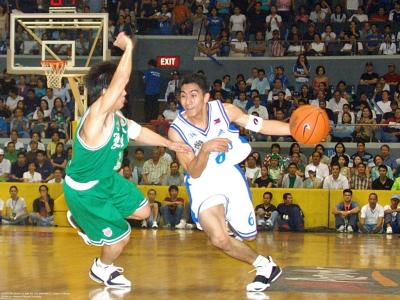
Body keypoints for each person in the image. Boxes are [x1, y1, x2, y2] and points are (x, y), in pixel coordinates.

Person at [64, 33, 190, 288]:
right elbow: (120, 79)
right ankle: (102, 268)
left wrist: (169, 143)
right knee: (121, 238)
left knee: (144, 211)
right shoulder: (95, 118)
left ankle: (86, 222)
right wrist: (129, 48)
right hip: (86, 191)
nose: (125, 93)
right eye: (121, 90)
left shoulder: (118, 118)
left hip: (107, 181)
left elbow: (139, 132)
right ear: (106, 92)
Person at [168, 73, 291, 292]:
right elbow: (194, 172)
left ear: (206, 97)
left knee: (249, 235)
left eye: (194, 95)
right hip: (203, 182)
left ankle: (232, 222)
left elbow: (261, 126)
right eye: (184, 96)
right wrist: (205, 149)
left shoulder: (224, 110)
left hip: (228, 175)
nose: (188, 101)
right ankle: (265, 265)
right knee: (219, 239)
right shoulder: (177, 131)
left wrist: (294, 130)